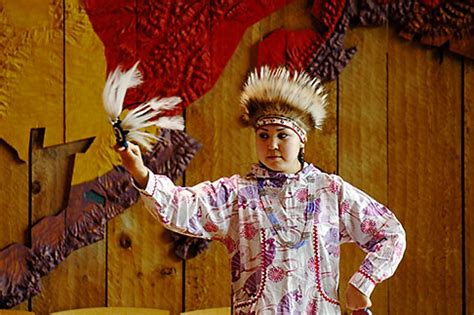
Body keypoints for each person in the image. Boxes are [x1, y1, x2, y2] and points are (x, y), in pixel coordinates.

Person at [117, 66, 406, 314]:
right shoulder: (237, 195)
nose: (272, 144)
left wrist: (362, 282)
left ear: (301, 140)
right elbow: (182, 205)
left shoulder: (330, 191)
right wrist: (140, 173)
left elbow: (391, 234)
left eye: (283, 135)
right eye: (263, 135)